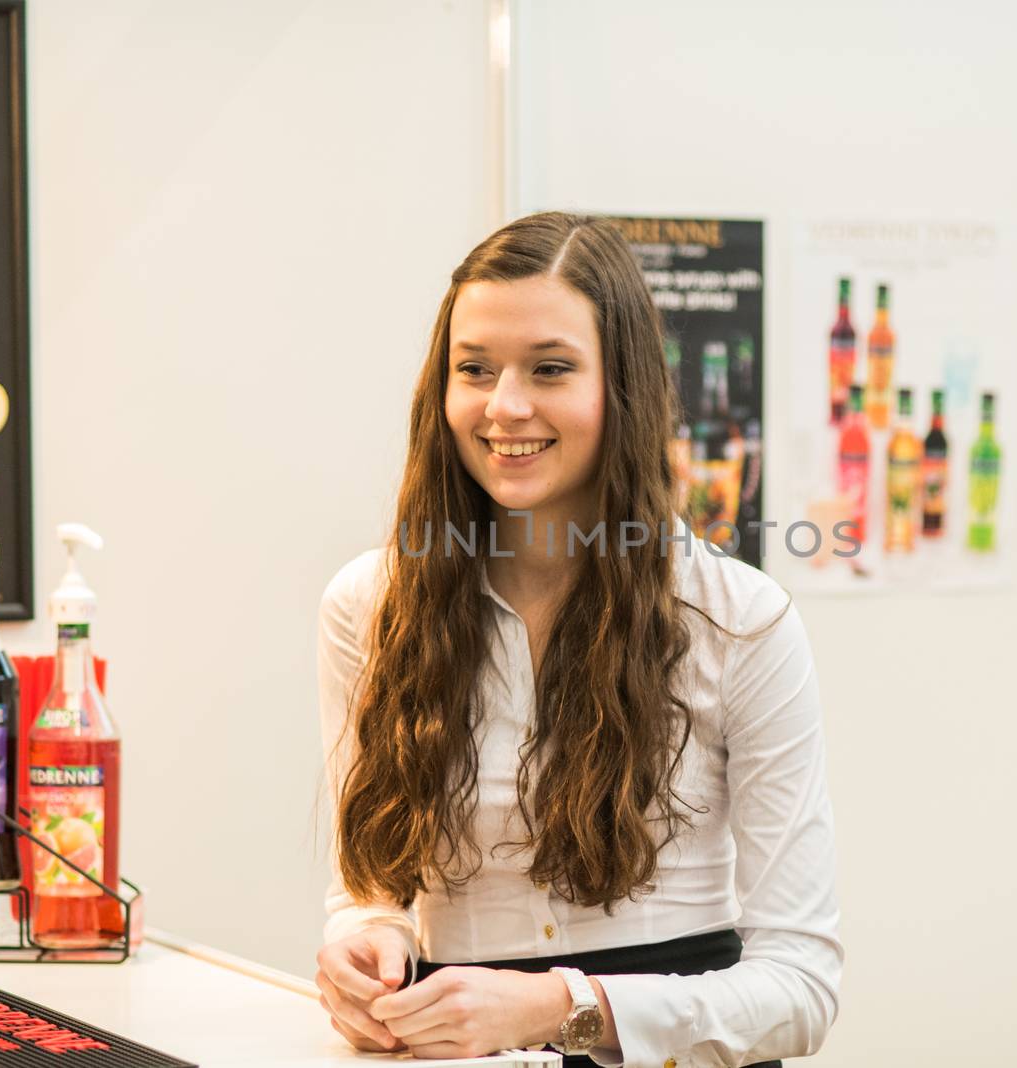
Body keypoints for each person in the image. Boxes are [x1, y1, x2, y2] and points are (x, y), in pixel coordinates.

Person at [314, 212, 842, 1067]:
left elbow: (801, 989)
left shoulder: (739, 619)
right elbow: (370, 890)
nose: (505, 406)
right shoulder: (369, 606)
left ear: (622, 386)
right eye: (474, 370)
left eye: (550, 369)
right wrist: (364, 943)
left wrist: (566, 1008)